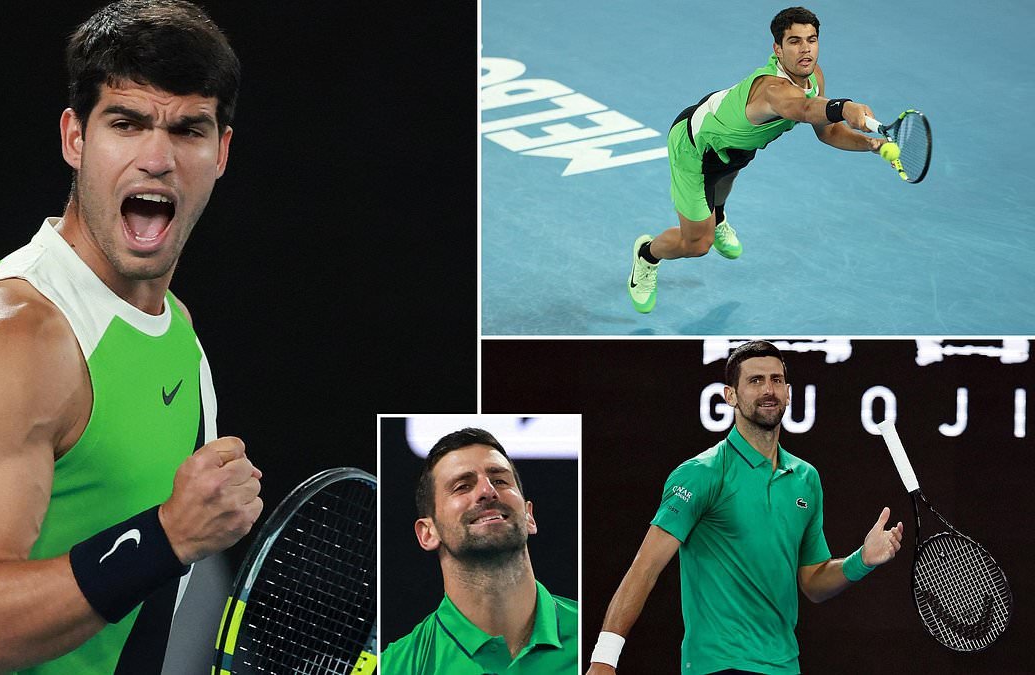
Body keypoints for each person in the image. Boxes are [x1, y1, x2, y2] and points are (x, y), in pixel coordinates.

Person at [0, 2, 264, 673]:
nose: (156, 158)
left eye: (189, 130)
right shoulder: (13, 337)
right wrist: (167, 535)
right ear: (75, 138)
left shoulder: (175, 328)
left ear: (222, 154)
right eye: (126, 123)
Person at [587, 341, 904, 674]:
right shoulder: (701, 474)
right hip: (718, 664)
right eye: (755, 381)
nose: (768, 390)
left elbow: (813, 582)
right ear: (730, 395)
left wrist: (862, 560)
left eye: (776, 380)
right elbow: (645, 567)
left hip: (784, 666)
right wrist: (604, 659)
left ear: (788, 391)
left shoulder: (805, 479)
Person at [628, 7, 887, 314]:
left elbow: (828, 133)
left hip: (735, 145)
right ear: (777, 49)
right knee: (697, 244)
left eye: (812, 39)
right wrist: (845, 107)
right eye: (794, 41)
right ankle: (647, 255)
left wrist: (871, 144)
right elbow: (803, 110)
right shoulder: (773, 90)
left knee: (726, 177)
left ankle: (718, 214)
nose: (805, 49)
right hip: (695, 149)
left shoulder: (813, 76)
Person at [380, 428, 579, 673]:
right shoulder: (397, 667)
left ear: (529, 516)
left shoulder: (594, 641)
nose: (487, 491)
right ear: (428, 533)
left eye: (499, 480)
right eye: (462, 486)